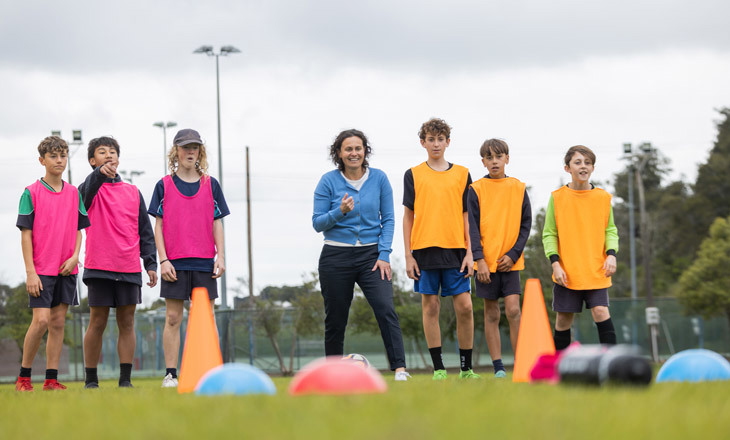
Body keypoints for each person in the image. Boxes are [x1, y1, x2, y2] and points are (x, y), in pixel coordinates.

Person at [313, 129, 410, 381]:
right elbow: (317, 223)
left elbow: (388, 219)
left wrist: (384, 254)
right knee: (335, 318)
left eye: (358, 148)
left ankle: (400, 369)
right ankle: (332, 374)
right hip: (335, 256)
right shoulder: (328, 181)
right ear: (339, 153)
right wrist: (340, 211)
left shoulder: (379, 179)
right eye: (348, 149)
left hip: (372, 257)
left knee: (386, 308)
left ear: (365, 151)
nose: (353, 153)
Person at [148, 129, 229, 388]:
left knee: (207, 318)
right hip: (175, 262)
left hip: (205, 261)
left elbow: (218, 223)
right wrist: (163, 260)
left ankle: (212, 372)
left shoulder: (211, 184)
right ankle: (171, 374)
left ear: (200, 152)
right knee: (173, 318)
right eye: (185, 147)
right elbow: (158, 227)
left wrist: (221, 257)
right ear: (176, 152)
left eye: (194, 147)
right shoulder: (164, 185)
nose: (190, 152)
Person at [79, 136, 158, 389]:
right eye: (102, 152)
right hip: (98, 266)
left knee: (127, 322)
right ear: (93, 160)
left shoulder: (133, 192)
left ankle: (125, 380)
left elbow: (145, 232)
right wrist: (98, 175)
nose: (108, 156)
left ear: (119, 159)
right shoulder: (89, 190)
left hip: (128, 267)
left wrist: (151, 263)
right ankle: (91, 380)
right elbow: (83, 195)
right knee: (98, 321)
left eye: (112, 152)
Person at [403, 118, 479, 380]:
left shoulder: (462, 173)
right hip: (424, 250)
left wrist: (471, 252)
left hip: (457, 250)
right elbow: (408, 216)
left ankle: (466, 369)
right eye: (431, 139)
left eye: (440, 139)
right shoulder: (412, 174)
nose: (436, 144)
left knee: (466, 308)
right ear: (422, 142)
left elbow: (468, 215)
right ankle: (438, 369)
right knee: (431, 307)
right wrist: (408, 255)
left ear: (448, 142)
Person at [15, 135, 90, 391]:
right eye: (53, 156)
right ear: (42, 160)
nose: (59, 160)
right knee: (41, 321)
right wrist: (30, 272)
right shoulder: (30, 193)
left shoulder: (73, 193)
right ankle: (24, 378)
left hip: (67, 268)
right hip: (41, 270)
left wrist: (74, 257)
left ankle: (51, 380)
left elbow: (80, 230)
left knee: (58, 323)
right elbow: (26, 235)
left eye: (63, 156)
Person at [542, 145, 618, 350]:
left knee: (601, 311)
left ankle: (611, 363)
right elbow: (549, 234)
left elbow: (610, 230)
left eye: (587, 163)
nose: (583, 167)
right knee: (564, 319)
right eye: (578, 162)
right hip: (567, 272)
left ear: (592, 168)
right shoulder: (557, 197)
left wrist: (611, 255)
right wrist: (555, 264)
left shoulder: (603, 198)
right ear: (567, 168)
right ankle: (561, 368)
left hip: (596, 269)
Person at [467, 139, 532, 378]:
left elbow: (526, 225)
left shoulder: (518, 187)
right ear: (483, 161)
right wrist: (479, 260)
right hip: (485, 264)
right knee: (492, 313)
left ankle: (521, 363)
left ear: (507, 158)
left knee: (514, 310)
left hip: (511, 263)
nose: (494, 161)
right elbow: (471, 227)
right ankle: (498, 368)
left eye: (499, 156)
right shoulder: (475, 189)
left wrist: (514, 254)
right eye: (489, 157)